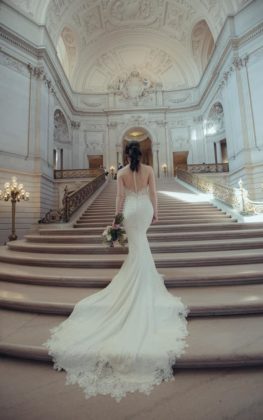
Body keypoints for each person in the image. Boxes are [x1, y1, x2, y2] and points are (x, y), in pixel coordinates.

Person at [44, 141, 188, 402]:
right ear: (141, 155)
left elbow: (120, 199)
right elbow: (154, 194)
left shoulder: (120, 173)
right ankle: (145, 282)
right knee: (141, 247)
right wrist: (157, 213)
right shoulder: (148, 171)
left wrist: (115, 221)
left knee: (137, 248)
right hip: (144, 210)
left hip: (131, 212)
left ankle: (139, 281)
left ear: (124, 155)